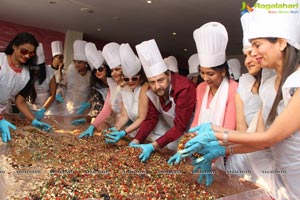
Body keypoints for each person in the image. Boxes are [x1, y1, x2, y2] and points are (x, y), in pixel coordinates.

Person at [176, 0, 300, 198]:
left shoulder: (297, 83)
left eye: (257, 45)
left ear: (282, 42)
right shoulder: (269, 87)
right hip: (272, 179)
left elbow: (270, 138)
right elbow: (259, 141)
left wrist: (217, 135)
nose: (254, 54)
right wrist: (219, 150)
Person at [128, 39, 196, 162]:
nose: (157, 86)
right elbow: (151, 118)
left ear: (168, 75)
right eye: (152, 82)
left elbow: (180, 126)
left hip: (193, 135)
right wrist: (136, 140)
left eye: (160, 80)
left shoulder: (184, 88)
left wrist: (152, 146)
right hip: (173, 136)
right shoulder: (152, 90)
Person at [183, 22, 238, 171]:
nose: (205, 78)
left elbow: (228, 128)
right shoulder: (201, 88)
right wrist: (187, 143)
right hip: (201, 149)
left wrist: (207, 150)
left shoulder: (234, 89)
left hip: (225, 152)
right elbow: (196, 122)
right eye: (202, 73)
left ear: (223, 71)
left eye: (210, 74)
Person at [0, 32, 52, 142]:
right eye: (24, 51)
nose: (27, 56)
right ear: (14, 46)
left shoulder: (26, 75)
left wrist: (33, 120)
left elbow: (20, 101)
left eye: (31, 53)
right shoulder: (1, 62)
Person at [78, 42, 125, 138]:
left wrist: (118, 129)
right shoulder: (112, 86)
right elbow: (105, 110)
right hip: (118, 128)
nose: (114, 73)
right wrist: (92, 126)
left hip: (129, 130)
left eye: (117, 69)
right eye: (112, 70)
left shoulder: (130, 87)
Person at [104, 43, 149, 143]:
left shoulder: (144, 88)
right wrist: (116, 128)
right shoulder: (124, 89)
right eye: (126, 79)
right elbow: (125, 116)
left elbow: (142, 118)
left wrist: (123, 132)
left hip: (151, 134)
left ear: (140, 76)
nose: (130, 82)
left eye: (134, 78)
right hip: (135, 133)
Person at [71, 42, 109, 125]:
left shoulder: (115, 84)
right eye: (95, 70)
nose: (98, 72)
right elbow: (97, 107)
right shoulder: (96, 87)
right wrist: (87, 119)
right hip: (104, 121)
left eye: (100, 69)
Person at [50, 40, 92, 116]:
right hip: (67, 107)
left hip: (83, 109)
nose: (76, 64)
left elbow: (94, 94)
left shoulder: (90, 76)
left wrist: (89, 103)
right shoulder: (70, 71)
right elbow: (62, 85)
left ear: (86, 63)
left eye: (79, 62)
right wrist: (59, 93)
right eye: (75, 61)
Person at [26, 43, 57, 120]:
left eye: (38, 68)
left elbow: (52, 95)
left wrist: (43, 109)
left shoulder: (50, 72)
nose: (36, 70)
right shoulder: (28, 71)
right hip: (31, 105)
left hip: (47, 107)